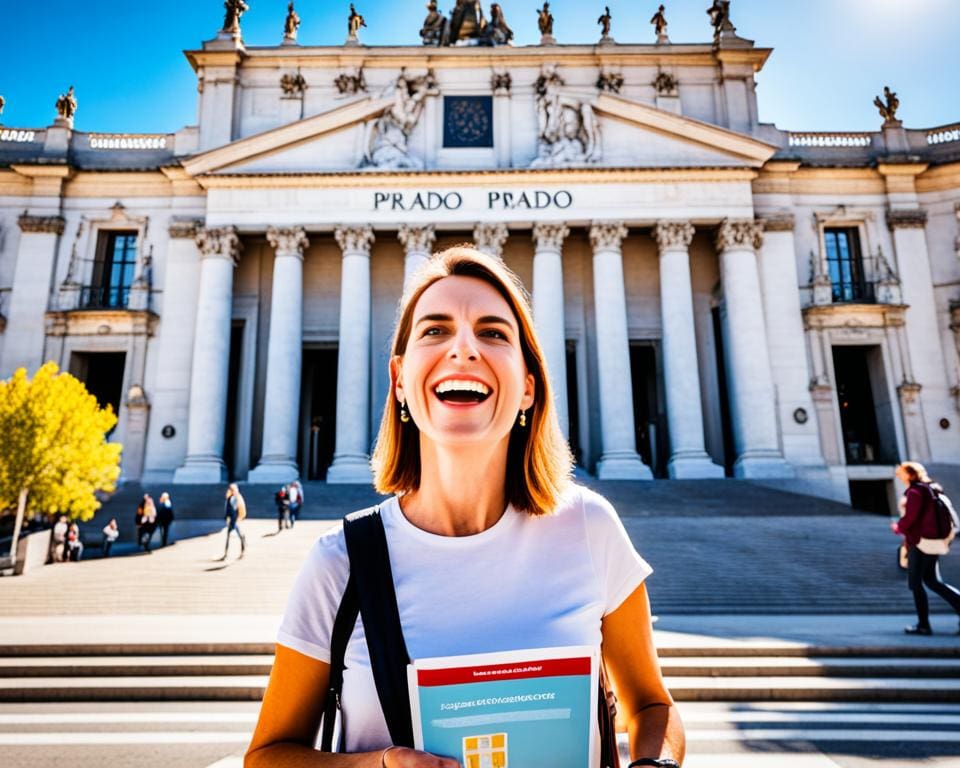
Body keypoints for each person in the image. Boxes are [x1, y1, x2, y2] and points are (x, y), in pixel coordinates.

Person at [246, 247, 684, 767]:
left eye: (494, 332)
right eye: (434, 330)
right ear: (400, 380)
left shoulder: (589, 529)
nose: (463, 348)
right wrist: (375, 766)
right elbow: (267, 756)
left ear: (527, 388)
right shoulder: (340, 562)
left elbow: (652, 705)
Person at [891, 461, 960, 635]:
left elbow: (911, 517)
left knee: (916, 583)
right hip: (934, 541)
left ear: (910, 474)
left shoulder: (915, 491)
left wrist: (899, 527)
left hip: (920, 542)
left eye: (901, 474)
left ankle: (923, 625)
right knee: (931, 580)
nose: (899, 477)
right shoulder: (932, 489)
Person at [220, 483, 247, 561]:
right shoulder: (230, 498)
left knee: (236, 536)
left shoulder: (235, 498)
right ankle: (227, 552)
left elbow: (234, 511)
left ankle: (241, 550)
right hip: (232, 520)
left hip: (233, 520)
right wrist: (226, 517)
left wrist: (233, 520)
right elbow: (228, 509)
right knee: (233, 536)